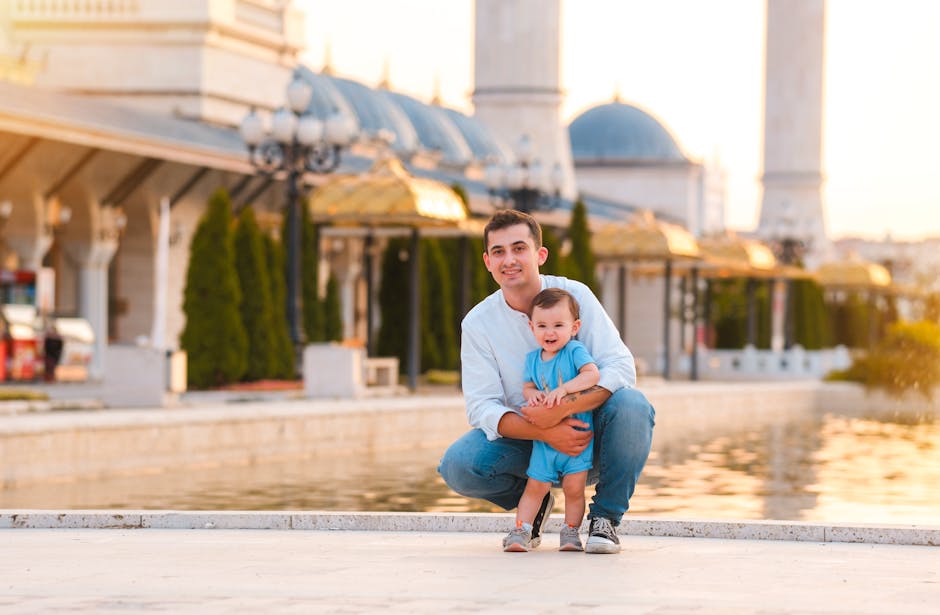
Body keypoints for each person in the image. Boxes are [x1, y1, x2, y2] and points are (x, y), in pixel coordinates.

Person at [438, 209, 656, 554]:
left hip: (588, 437)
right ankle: (534, 502)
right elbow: (482, 407)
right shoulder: (479, 323)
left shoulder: (576, 296)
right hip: (529, 442)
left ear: (540, 254)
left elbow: (619, 367)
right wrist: (545, 430)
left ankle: (604, 520)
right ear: (487, 262)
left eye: (519, 248)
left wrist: (565, 409)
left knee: (633, 405)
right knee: (458, 466)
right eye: (498, 252)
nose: (509, 259)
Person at [504, 288, 600, 552]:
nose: (550, 332)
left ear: (574, 327)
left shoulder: (574, 351)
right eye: (542, 326)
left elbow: (592, 375)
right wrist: (533, 395)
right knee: (536, 486)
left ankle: (570, 532)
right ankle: (521, 530)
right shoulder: (532, 359)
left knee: (573, 488)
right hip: (545, 441)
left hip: (577, 437)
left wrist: (565, 389)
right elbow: (527, 387)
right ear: (532, 327)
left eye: (558, 325)